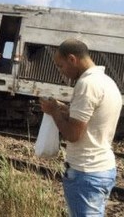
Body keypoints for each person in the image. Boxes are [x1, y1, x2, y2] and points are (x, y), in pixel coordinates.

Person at [40, 39, 122, 216]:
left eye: (61, 66)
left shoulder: (87, 84)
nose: (62, 72)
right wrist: (68, 111)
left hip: (86, 172)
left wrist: (54, 111)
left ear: (72, 59)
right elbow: (93, 120)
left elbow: (73, 134)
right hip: (101, 168)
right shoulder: (107, 82)